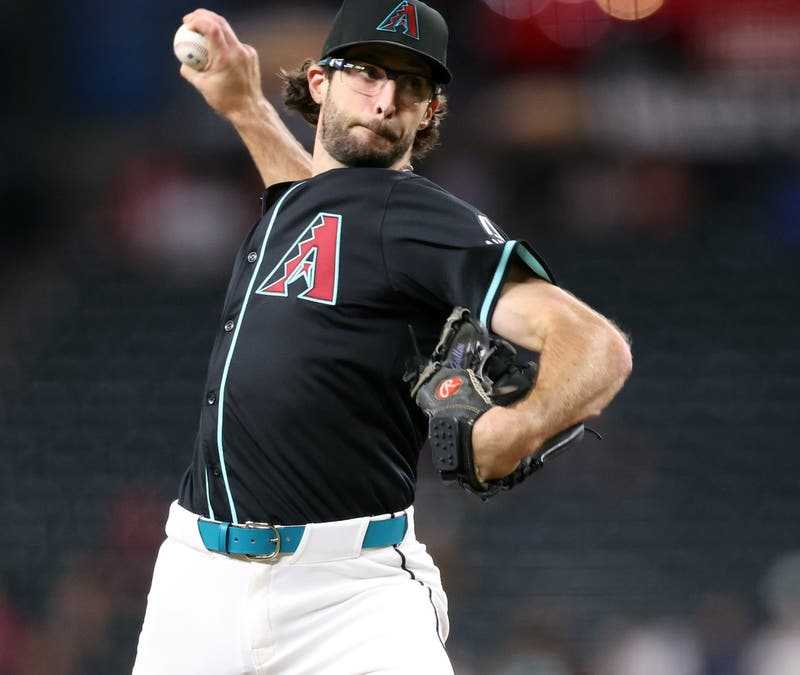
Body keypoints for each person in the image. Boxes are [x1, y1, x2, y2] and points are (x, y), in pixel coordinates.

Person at [132, 1, 633, 672]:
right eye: (366, 71)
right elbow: (308, 196)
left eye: (412, 84)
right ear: (319, 82)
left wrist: (519, 428)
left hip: (348, 594)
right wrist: (245, 107)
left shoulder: (418, 217)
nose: (386, 96)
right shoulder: (310, 202)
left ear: (429, 112)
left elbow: (597, 344)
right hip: (195, 577)